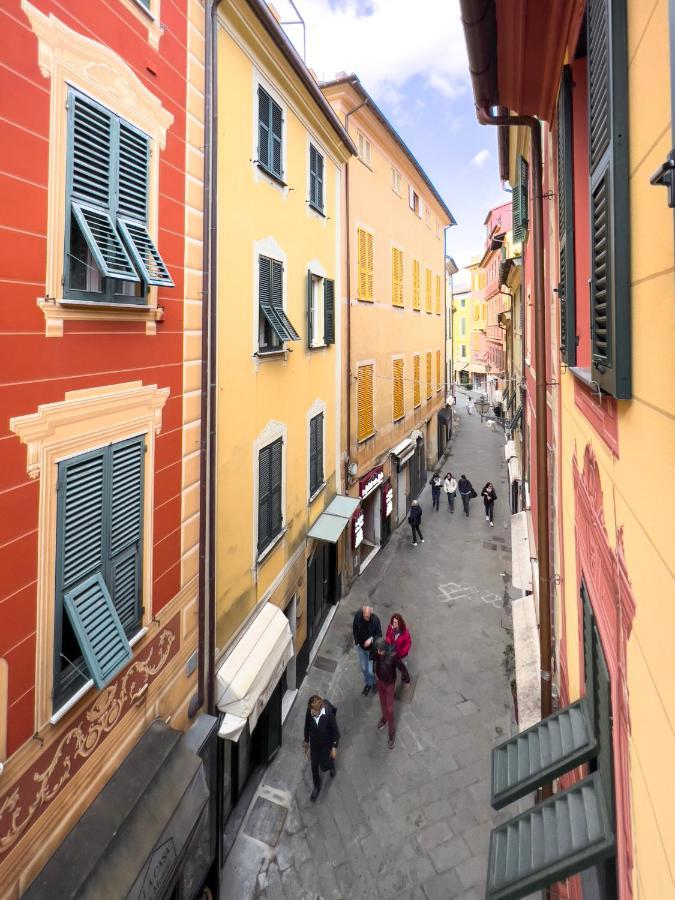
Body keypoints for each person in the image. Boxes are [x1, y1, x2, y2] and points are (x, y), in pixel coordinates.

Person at [303, 695, 339, 801]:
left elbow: (335, 732)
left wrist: (334, 747)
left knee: (323, 766)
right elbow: (307, 726)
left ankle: (331, 764)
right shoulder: (309, 711)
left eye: (314, 711)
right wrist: (306, 741)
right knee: (314, 767)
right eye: (311, 710)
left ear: (320, 709)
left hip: (325, 746)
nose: (311, 712)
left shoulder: (328, 715)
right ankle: (316, 786)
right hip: (314, 746)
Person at [372, 638, 397, 749]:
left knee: (390, 710)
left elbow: (401, 666)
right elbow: (375, 660)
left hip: (389, 684)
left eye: (380, 650)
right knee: (382, 702)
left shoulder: (393, 657)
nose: (378, 652)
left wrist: (406, 679)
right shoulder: (378, 653)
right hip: (380, 681)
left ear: (385, 650)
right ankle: (384, 718)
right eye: (378, 650)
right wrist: (374, 672)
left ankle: (391, 733)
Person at [352, 606, 381, 695]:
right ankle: (369, 684)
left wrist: (371, 639)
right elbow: (355, 628)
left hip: (371, 651)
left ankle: (374, 683)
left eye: (368, 617)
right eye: (365, 616)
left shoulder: (376, 620)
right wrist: (356, 640)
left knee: (370, 671)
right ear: (362, 613)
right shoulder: (358, 616)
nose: (367, 618)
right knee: (364, 668)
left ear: (371, 614)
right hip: (361, 647)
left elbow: (379, 635)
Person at [385, 613, 412, 684]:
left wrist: (401, 653)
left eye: (395, 622)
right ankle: (402, 676)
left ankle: (406, 676)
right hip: (391, 649)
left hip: (398, 653)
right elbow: (387, 635)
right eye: (393, 621)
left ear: (400, 622)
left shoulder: (405, 632)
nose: (393, 624)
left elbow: (408, 644)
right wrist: (388, 642)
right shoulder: (390, 627)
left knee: (399, 664)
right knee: (392, 664)